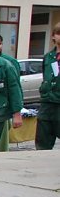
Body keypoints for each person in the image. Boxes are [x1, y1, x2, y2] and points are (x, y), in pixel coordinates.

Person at [37, 22, 60, 150]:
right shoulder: (49, 57)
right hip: (47, 102)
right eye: (58, 34)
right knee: (42, 141)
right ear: (53, 36)